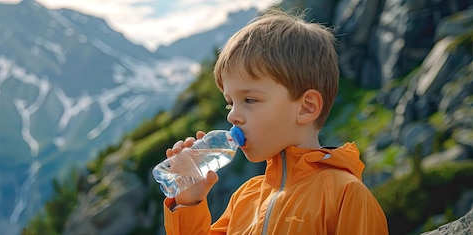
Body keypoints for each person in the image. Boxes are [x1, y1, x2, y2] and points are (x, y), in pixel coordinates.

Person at [161, 8, 389, 235]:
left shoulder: (345, 195)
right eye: (230, 103)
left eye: (249, 99)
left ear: (306, 107)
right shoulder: (244, 197)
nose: (232, 116)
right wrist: (188, 203)